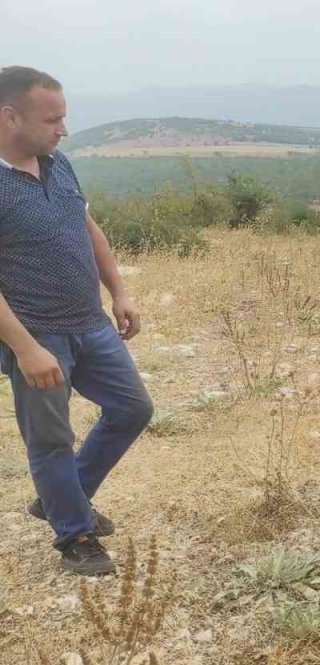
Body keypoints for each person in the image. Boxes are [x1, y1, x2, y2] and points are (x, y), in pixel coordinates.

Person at [0, 67, 154, 576]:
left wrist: (120, 291)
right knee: (50, 439)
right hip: (37, 334)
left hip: (89, 323)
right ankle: (75, 535)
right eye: (53, 118)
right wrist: (25, 348)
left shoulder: (58, 163)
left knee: (132, 408)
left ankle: (61, 498)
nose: (63, 128)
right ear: (9, 116)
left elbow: (88, 228)